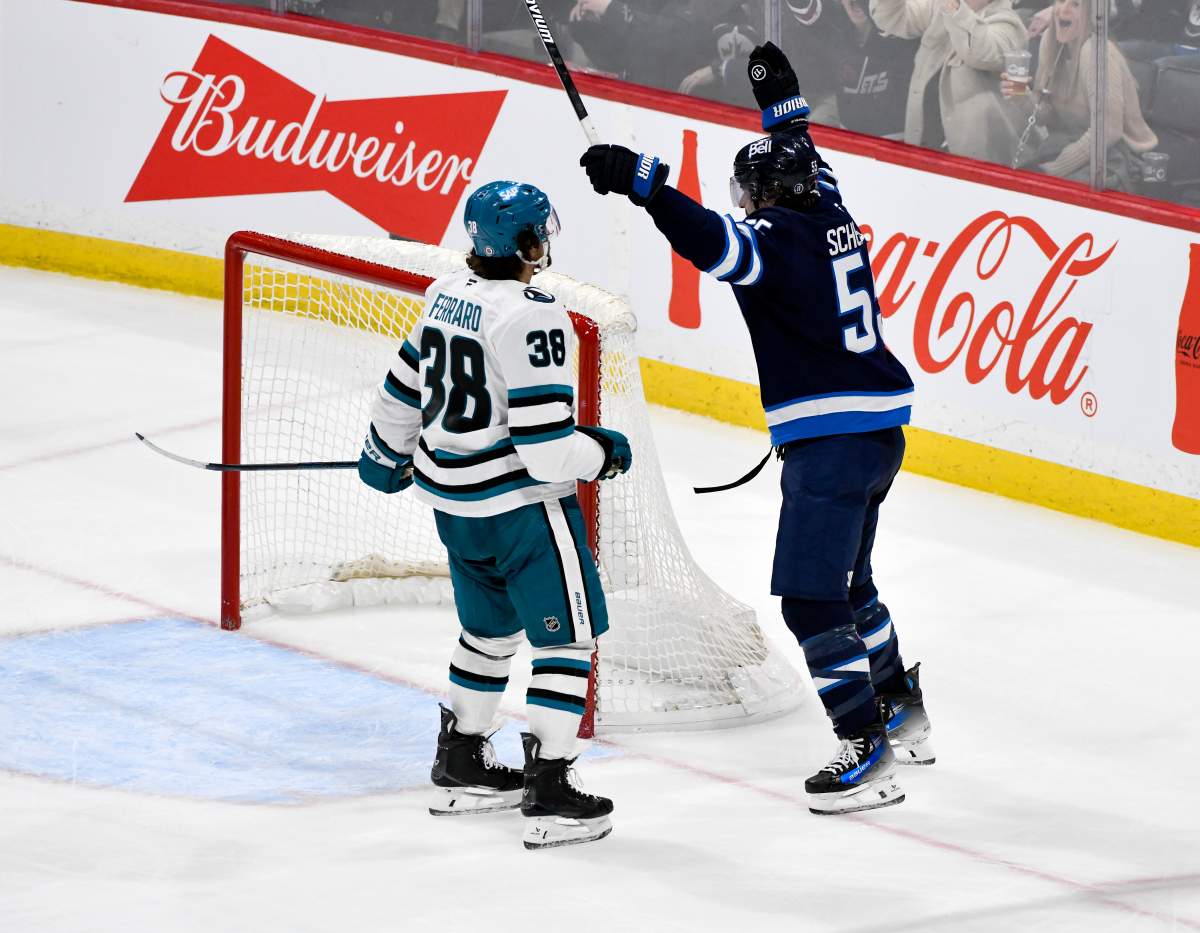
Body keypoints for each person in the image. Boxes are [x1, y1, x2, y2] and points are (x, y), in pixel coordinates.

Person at [578, 43, 934, 815]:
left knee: (810, 600)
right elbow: (802, 151)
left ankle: (865, 744)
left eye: (751, 192)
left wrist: (643, 182)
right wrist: (783, 101)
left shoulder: (775, 245)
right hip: (877, 437)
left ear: (770, 194)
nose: (744, 203)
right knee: (852, 587)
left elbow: (711, 240)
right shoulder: (829, 207)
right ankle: (900, 707)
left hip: (832, 446)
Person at [357, 180, 631, 849]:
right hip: (522, 512)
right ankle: (551, 789)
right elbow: (546, 451)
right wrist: (601, 452)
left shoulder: (445, 293)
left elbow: (400, 391)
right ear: (528, 244)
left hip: (455, 510)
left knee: (487, 634)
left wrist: (383, 453)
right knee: (566, 642)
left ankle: (463, 762)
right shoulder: (534, 315)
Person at [1004, 0, 1158, 184]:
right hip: (1069, 145)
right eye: (1061, 1)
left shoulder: (1096, 53)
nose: (1063, 10)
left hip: (1117, 156)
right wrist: (1022, 97)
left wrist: (1055, 169)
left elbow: (1108, 131)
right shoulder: (1050, 42)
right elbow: (1046, 116)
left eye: (1076, 4)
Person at [870, 0, 1029, 163]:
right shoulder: (937, 7)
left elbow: (980, 53)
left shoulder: (1009, 24)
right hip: (923, 147)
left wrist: (954, 6)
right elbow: (892, 19)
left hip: (976, 163)